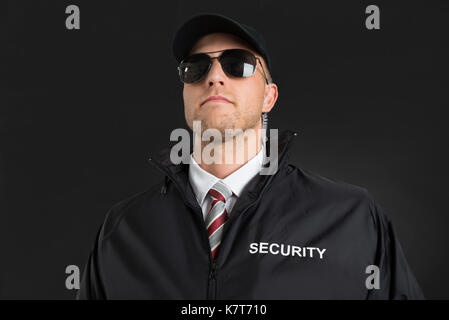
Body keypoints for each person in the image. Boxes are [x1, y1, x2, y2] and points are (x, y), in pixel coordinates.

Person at [76, 13, 424, 299]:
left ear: (268, 97)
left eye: (237, 64)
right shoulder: (123, 229)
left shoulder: (352, 217)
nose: (214, 77)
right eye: (195, 68)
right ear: (184, 92)